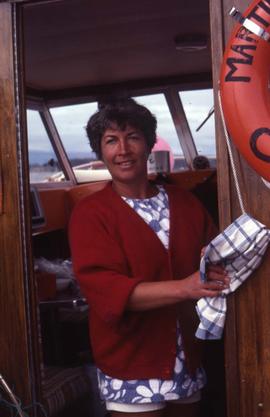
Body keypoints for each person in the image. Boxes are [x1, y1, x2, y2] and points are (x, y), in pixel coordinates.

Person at [69, 98, 229, 417]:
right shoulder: (90, 214)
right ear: (101, 152)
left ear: (149, 143)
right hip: (131, 361)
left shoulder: (185, 202)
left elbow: (216, 254)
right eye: (111, 141)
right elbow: (109, 292)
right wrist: (186, 287)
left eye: (133, 137)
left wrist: (214, 261)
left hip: (188, 355)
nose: (123, 149)